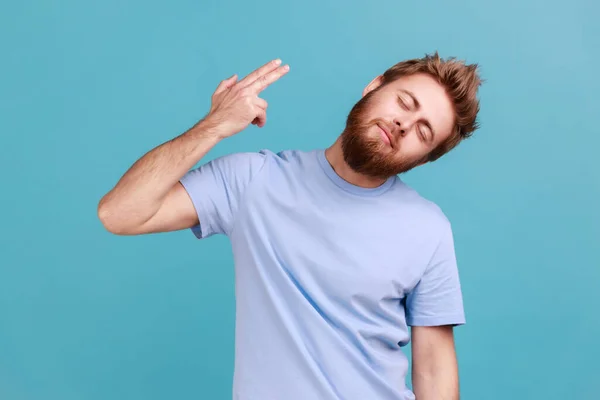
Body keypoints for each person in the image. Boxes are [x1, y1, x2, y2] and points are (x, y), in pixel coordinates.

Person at [98, 52, 482, 400]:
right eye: (405, 103)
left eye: (423, 132)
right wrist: (213, 126)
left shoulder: (428, 230)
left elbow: (434, 369)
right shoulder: (253, 181)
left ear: (424, 159)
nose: (403, 124)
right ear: (374, 86)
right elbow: (120, 213)